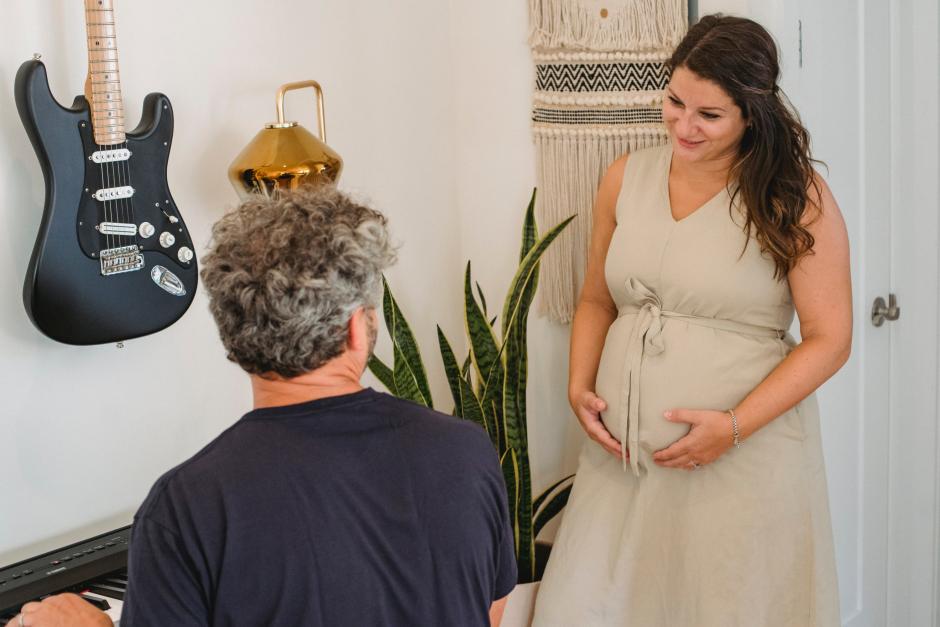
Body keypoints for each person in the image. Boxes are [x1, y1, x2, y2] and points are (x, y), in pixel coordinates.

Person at [12, 185, 516, 627]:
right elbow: (486, 613)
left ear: (232, 335)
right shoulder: (465, 450)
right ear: (356, 329)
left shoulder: (190, 504)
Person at [532, 14, 851, 627]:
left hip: (740, 457)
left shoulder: (795, 196)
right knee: (591, 605)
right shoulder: (627, 176)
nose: (683, 124)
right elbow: (597, 298)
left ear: (751, 114)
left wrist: (731, 427)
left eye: (708, 115)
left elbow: (830, 340)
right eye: (675, 101)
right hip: (623, 457)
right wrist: (579, 385)